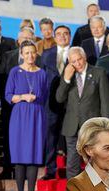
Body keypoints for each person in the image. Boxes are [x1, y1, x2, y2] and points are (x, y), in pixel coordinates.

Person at [56, 47, 109, 179]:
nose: (78, 63)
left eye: (79, 59)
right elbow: (59, 98)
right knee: (72, 163)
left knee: (94, 162)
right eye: (74, 61)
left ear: (85, 57)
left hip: (92, 127)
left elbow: (105, 102)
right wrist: (66, 79)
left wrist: (105, 127)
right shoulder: (68, 74)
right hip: (72, 126)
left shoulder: (99, 73)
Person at [5, 40, 49, 191]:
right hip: (20, 115)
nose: (30, 56)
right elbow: (8, 95)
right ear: (22, 54)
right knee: (19, 155)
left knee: (34, 154)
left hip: (37, 115)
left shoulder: (42, 73)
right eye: (27, 53)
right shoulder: (15, 72)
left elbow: (44, 96)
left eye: (33, 52)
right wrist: (23, 96)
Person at [0, 27, 38, 180]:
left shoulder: (37, 58)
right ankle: (7, 168)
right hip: (11, 106)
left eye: (30, 38)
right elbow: (1, 79)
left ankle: (26, 171)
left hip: (31, 107)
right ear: (18, 41)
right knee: (9, 138)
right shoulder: (8, 56)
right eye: (23, 38)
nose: (26, 40)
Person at [41, 25, 71, 180]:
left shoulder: (76, 53)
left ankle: (73, 171)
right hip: (50, 103)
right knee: (51, 136)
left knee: (72, 137)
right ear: (54, 36)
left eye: (65, 34)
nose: (62, 36)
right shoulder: (46, 54)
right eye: (59, 34)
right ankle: (50, 169)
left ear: (70, 36)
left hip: (71, 103)